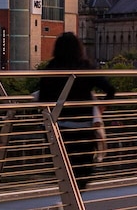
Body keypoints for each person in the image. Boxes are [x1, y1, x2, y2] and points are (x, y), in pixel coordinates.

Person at [36, 33, 116, 189]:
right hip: (84, 127)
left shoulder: (52, 68)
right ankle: (77, 197)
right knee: (83, 171)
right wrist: (102, 107)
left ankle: (70, 199)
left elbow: (43, 99)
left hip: (60, 128)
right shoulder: (86, 67)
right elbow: (110, 90)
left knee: (64, 170)